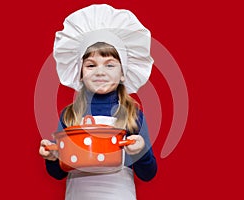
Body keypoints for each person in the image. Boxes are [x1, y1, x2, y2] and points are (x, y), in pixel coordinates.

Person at [39, 4, 157, 200]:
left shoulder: (132, 115)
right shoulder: (70, 115)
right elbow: (58, 174)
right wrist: (52, 158)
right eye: (91, 65)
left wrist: (140, 151)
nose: (100, 72)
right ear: (81, 73)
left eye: (110, 65)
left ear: (122, 73)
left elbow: (148, 174)